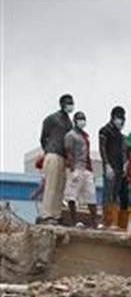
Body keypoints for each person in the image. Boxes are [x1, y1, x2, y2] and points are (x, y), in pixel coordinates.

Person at [38, 94, 75, 225]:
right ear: (62, 104)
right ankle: (46, 215)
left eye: (72, 103)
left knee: (60, 187)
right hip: (53, 155)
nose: (70, 105)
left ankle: (56, 215)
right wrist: (48, 150)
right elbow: (43, 138)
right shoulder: (52, 119)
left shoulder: (69, 123)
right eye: (68, 103)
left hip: (63, 158)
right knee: (51, 186)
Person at [63, 112, 96, 227]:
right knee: (72, 195)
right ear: (75, 121)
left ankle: (94, 222)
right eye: (80, 119)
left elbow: (86, 153)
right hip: (76, 167)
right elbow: (68, 151)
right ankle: (74, 221)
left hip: (86, 168)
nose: (82, 121)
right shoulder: (70, 135)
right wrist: (72, 169)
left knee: (91, 195)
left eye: (84, 119)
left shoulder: (85, 136)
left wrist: (90, 168)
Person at [98, 106, 128, 230]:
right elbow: (102, 148)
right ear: (113, 117)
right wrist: (106, 164)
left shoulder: (120, 135)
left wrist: (125, 164)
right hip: (110, 166)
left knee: (115, 195)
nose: (121, 121)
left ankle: (114, 222)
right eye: (119, 118)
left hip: (119, 167)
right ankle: (106, 221)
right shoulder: (105, 131)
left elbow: (122, 151)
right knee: (108, 194)